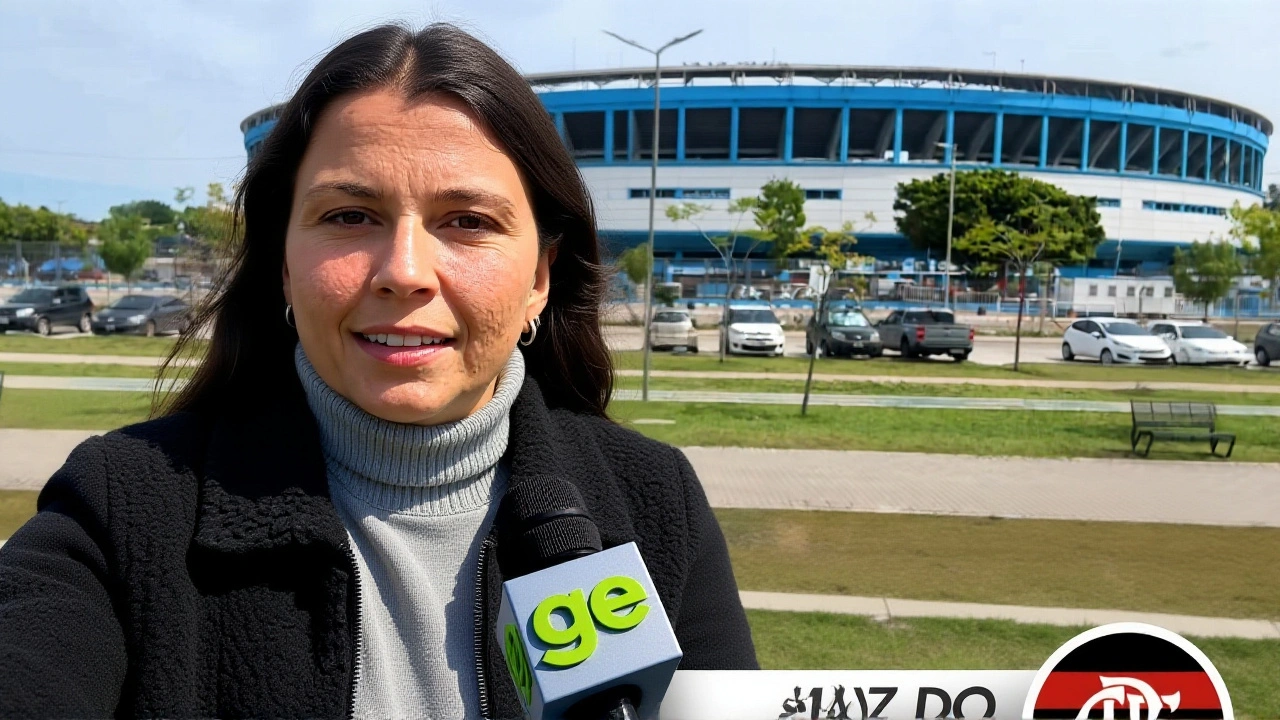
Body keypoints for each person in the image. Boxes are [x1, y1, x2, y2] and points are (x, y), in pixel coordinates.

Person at [0, 23, 756, 719]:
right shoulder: (121, 507)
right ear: (284, 266)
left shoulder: (653, 500)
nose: (404, 272)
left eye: (467, 221)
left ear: (540, 278)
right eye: (348, 216)